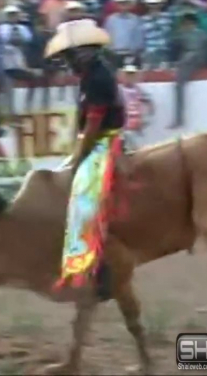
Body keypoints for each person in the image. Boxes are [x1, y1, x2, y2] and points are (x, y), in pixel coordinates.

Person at [43, 19, 127, 299]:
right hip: (99, 138)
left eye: (69, 57)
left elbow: (93, 124)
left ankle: (99, 271)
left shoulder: (97, 79)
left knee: (84, 197)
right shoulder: (92, 75)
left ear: (83, 54)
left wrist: (79, 154)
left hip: (104, 141)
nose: (67, 63)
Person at [119, 64, 154, 150]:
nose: (129, 78)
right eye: (127, 75)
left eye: (132, 75)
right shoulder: (119, 90)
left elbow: (148, 101)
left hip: (136, 124)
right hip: (124, 124)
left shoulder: (139, 90)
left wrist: (148, 116)